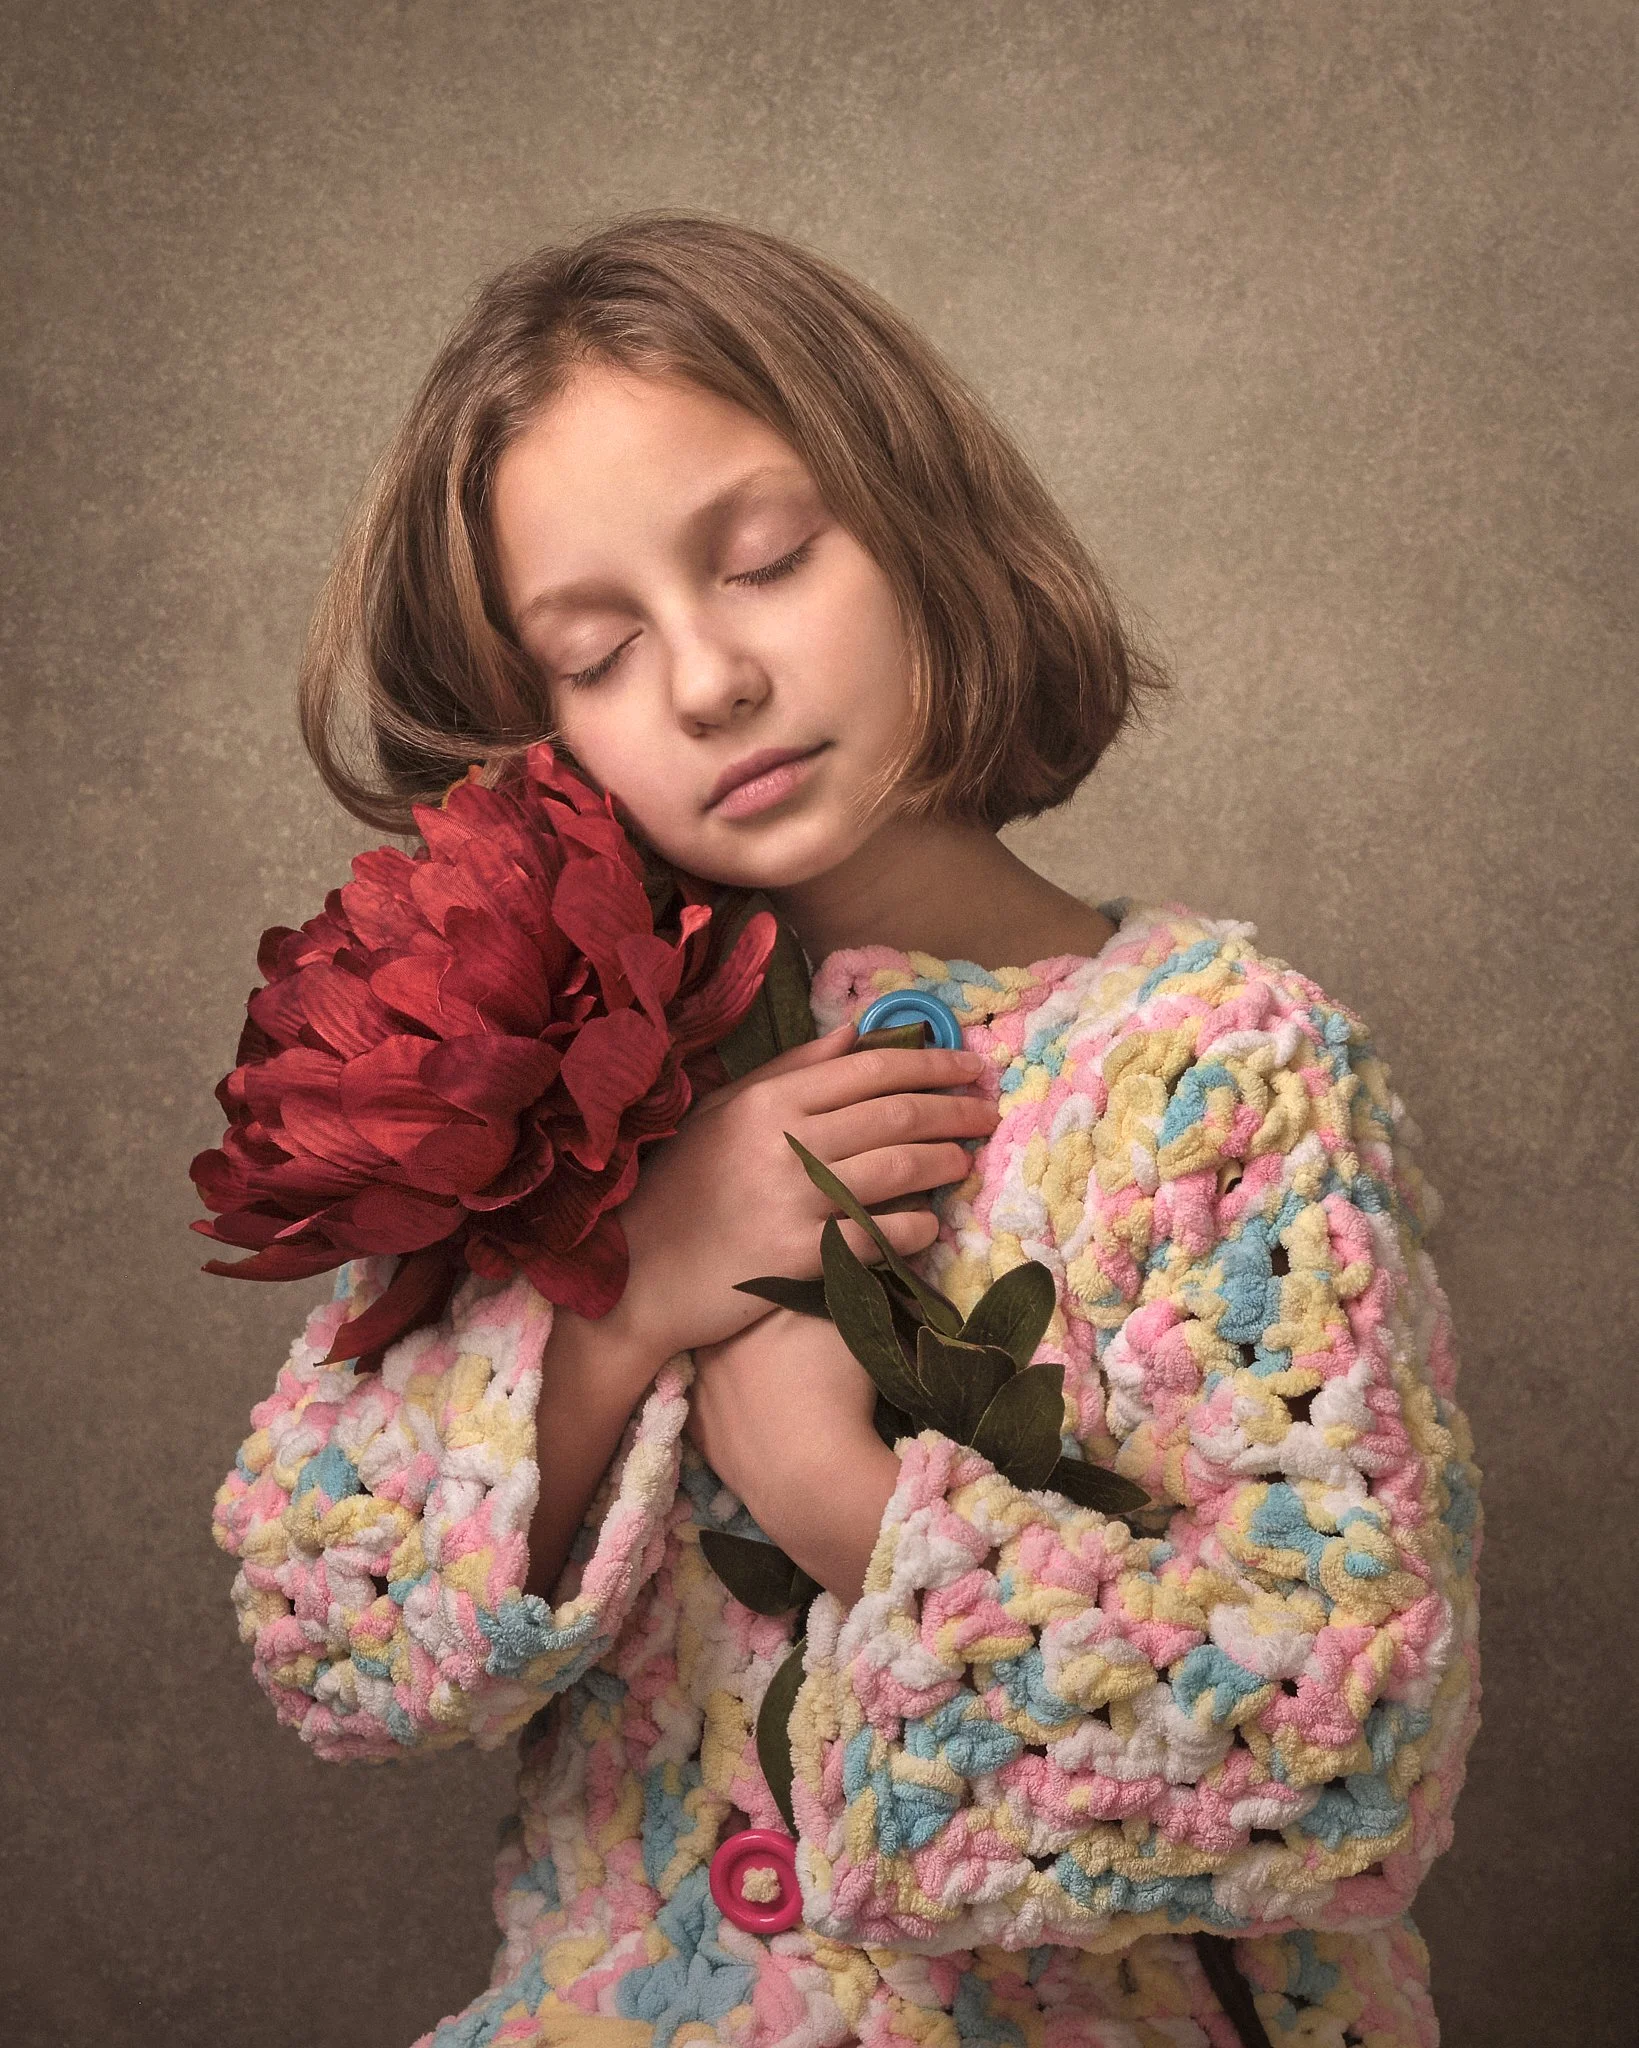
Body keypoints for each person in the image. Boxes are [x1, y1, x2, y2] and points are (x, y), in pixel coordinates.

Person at [213, 214, 1481, 2048]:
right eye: (594, 647)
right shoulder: (562, 1111)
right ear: (524, 724)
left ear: (917, 526)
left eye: (768, 563)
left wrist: (836, 1501)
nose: (709, 679)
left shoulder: (1214, 1062)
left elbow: (1323, 1733)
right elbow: (334, 1628)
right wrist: (635, 1293)